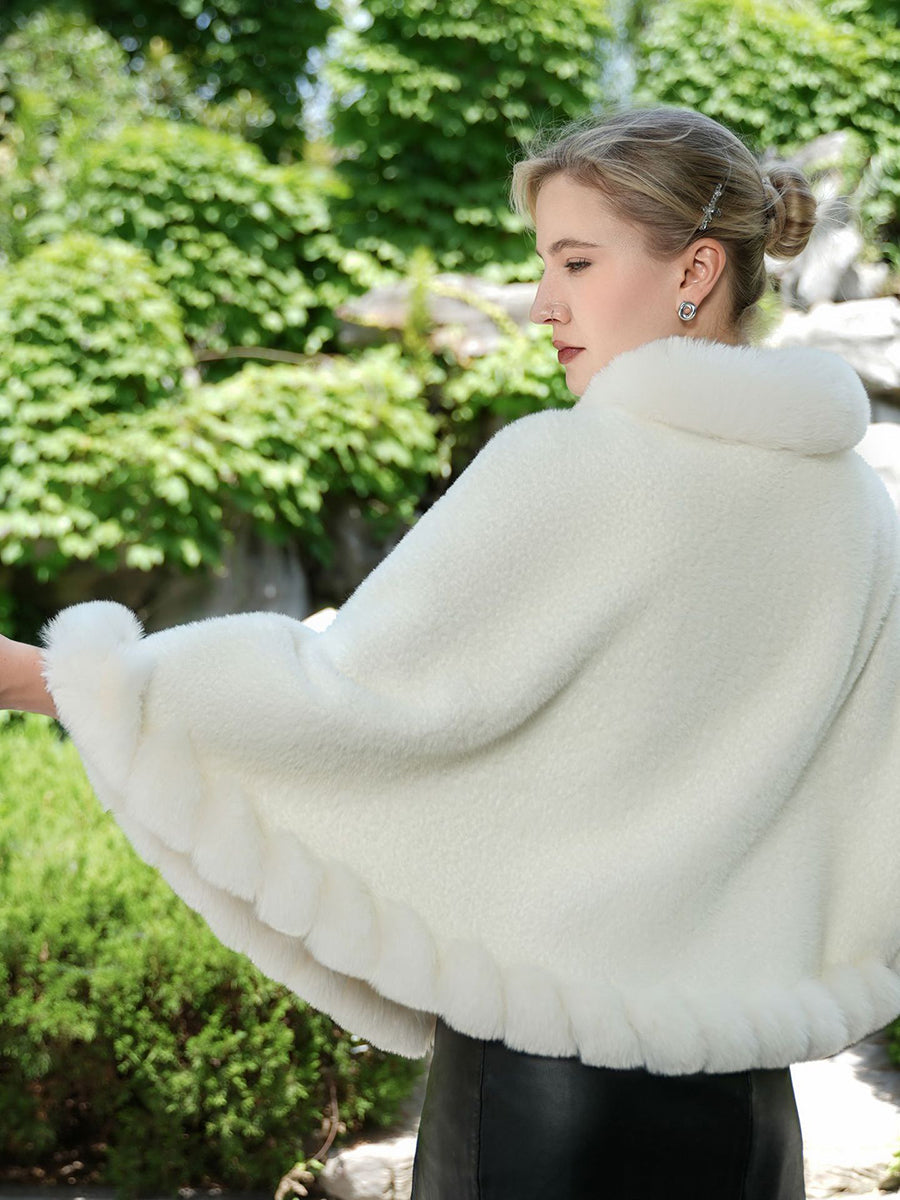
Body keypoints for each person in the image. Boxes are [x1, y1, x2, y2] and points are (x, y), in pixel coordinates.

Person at [1, 103, 897, 1199]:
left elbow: (348, 704)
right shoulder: (858, 513)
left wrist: (55, 678)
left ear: (696, 268)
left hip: (549, 1104)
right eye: (544, 262)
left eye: (576, 261)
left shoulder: (569, 469)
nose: (543, 302)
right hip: (753, 1116)